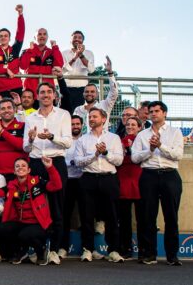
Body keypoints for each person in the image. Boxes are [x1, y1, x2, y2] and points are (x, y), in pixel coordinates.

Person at [23, 82, 72, 265]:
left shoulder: (63, 114)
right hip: (36, 164)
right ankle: (39, 248)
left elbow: (68, 142)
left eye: (49, 92)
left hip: (55, 163)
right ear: (37, 96)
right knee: (36, 207)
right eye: (42, 92)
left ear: (54, 95)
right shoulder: (31, 117)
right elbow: (26, 147)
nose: (45, 95)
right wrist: (30, 138)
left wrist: (51, 137)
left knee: (57, 207)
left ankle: (55, 249)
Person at [131, 101, 185, 266]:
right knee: (148, 216)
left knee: (171, 216)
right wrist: (150, 150)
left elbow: (178, 155)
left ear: (164, 113)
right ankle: (149, 254)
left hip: (170, 176)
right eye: (151, 111)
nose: (153, 114)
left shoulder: (175, 132)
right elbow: (134, 158)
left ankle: (172, 255)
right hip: (149, 176)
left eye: (157, 111)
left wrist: (160, 146)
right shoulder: (142, 135)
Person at [74, 108, 124, 262]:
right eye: (89, 116)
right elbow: (78, 162)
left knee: (112, 215)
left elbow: (119, 160)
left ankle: (114, 250)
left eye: (94, 116)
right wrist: (94, 155)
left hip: (109, 179)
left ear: (103, 119)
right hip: (88, 178)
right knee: (87, 215)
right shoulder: (83, 140)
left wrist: (105, 153)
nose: (91, 119)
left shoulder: (114, 138)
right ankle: (88, 249)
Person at [0, 156, 62, 265]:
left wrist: (50, 167)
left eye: (23, 166)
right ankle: (22, 252)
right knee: (1, 228)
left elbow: (56, 186)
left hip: (39, 224)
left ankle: (41, 252)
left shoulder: (37, 181)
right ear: (14, 171)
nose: (20, 168)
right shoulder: (11, 185)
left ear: (29, 170)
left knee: (24, 234)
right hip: (21, 222)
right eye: (17, 166)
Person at [117, 116, 144, 259]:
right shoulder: (119, 141)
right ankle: (125, 248)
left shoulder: (143, 140)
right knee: (124, 219)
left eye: (134, 124)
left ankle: (143, 250)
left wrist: (130, 149)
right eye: (128, 124)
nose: (130, 126)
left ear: (139, 127)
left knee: (142, 219)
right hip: (123, 181)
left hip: (139, 181)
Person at [61, 115, 85, 258]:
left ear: (81, 125)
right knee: (65, 215)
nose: (75, 126)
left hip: (82, 181)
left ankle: (87, 248)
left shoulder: (85, 140)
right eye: (72, 124)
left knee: (86, 216)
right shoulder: (64, 142)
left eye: (77, 124)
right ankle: (63, 247)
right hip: (67, 180)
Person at [0, 5, 26, 98]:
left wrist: (20, 15)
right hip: (1, 89)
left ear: (9, 38)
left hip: (16, 87)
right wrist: (5, 70)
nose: (3, 37)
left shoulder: (15, 49)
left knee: (19, 111)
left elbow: (20, 33)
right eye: (0, 36)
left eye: (5, 36)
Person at [72, 57, 118, 131]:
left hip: (100, 141)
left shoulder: (104, 105)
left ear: (97, 94)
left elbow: (114, 92)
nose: (89, 94)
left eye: (92, 92)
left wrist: (110, 73)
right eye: (87, 92)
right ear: (83, 94)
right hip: (83, 142)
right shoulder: (78, 110)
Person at [19, 29, 64, 94]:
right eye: (39, 34)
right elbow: (23, 66)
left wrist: (55, 47)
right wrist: (48, 70)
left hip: (47, 90)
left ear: (47, 37)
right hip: (30, 91)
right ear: (35, 37)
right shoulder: (27, 51)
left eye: (44, 34)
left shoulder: (52, 52)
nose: (42, 36)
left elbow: (59, 65)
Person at [61, 30, 95, 110]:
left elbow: (91, 70)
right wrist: (75, 57)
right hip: (67, 87)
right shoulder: (64, 53)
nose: (77, 39)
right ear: (71, 40)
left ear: (83, 40)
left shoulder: (89, 53)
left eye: (79, 38)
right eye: (75, 37)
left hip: (82, 88)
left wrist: (81, 55)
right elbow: (62, 71)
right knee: (66, 113)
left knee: (80, 114)